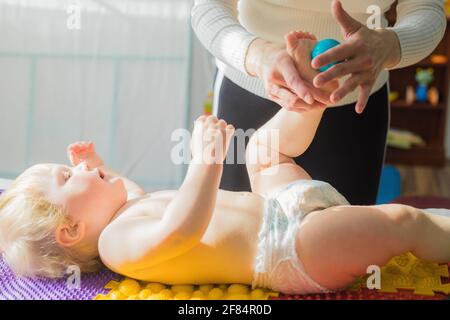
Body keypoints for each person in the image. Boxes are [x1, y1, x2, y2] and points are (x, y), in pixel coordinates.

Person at [2, 103, 450, 294]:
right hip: (291, 248)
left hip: (281, 204)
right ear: (71, 230)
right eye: (68, 176)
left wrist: (100, 164)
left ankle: (311, 98)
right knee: (401, 222)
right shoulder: (116, 244)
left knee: (263, 150)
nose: (79, 167)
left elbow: (128, 188)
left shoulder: (125, 208)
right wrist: (206, 161)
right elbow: (178, 230)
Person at [191, 0, 447, 205]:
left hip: (354, 105)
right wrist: (260, 56)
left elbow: (425, 9)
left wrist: (389, 45)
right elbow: (207, 8)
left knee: (346, 255)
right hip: (251, 93)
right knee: (236, 245)